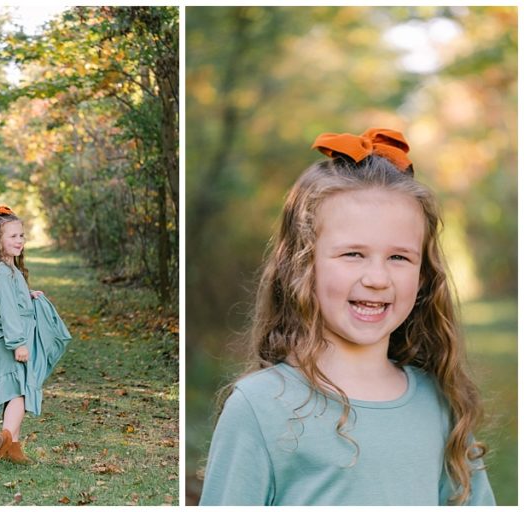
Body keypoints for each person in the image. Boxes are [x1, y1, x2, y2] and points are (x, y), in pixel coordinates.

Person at [199, 129, 495, 505]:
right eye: (353, 254)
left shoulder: (440, 405)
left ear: (423, 275)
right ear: (302, 265)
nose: (376, 279)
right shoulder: (259, 406)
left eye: (399, 257)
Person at [0, 205, 71, 466]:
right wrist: (18, 344)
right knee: (20, 393)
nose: (20, 241)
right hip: (10, 338)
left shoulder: (7, 268)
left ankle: (14, 449)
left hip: (5, 336)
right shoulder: (4, 272)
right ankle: (5, 438)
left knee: (14, 392)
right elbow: (7, 310)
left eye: (21, 235)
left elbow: (12, 301)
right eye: (13, 236)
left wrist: (27, 296)